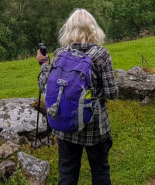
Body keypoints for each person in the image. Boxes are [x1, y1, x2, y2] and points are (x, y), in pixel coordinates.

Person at [37, 9, 118, 185]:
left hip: (65, 123)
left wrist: (44, 64)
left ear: (69, 29)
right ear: (93, 29)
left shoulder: (59, 54)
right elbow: (112, 92)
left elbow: (44, 85)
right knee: (100, 172)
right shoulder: (101, 54)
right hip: (95, 126)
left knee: (67, 173)